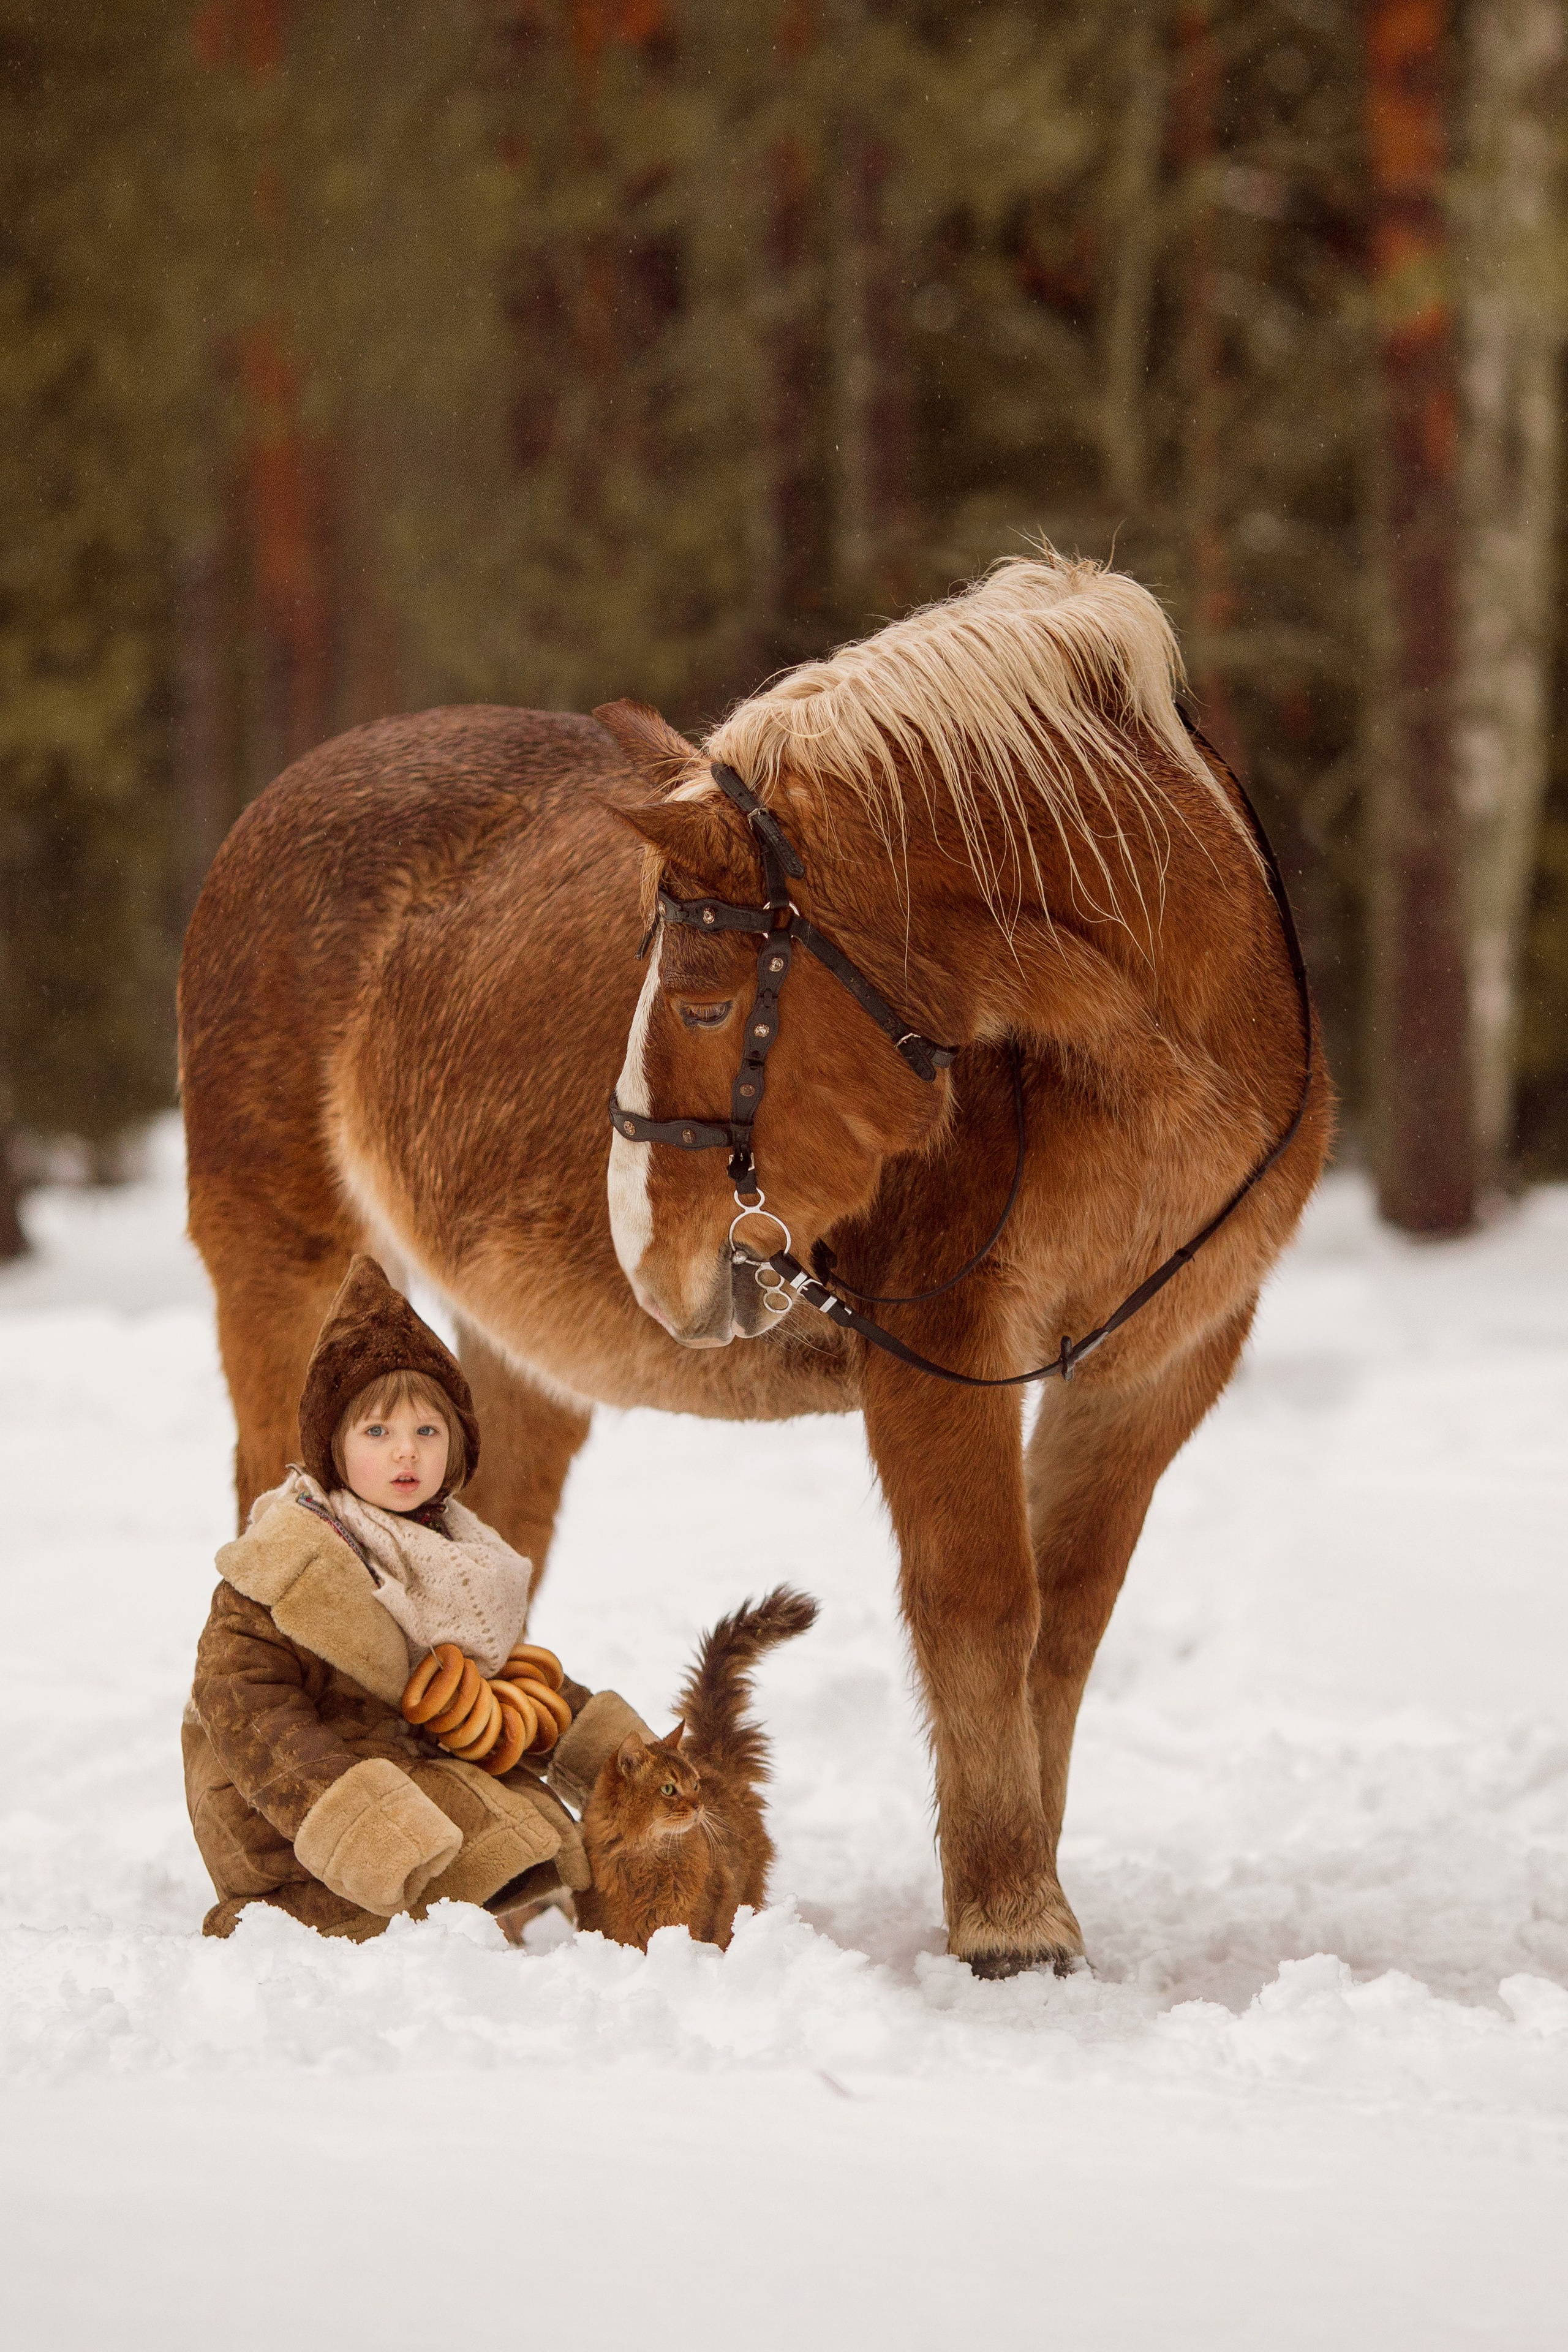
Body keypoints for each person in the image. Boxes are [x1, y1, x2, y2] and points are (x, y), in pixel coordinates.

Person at [183, 1254, 647, 1940]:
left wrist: (628, 1764)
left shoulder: (457, 1556)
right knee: (483, 1837)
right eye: (377, 1432)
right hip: (295, 1806)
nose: (406, 1454)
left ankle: (476, 1909)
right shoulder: (287, 1560)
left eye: (426, 1432)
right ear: (333, 1447)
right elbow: (244, 1703)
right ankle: (279, 1919)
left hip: (407, 1768)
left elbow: (504, 1685)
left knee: (543, 1832)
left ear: (455, 1447)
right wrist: (354, 1818)